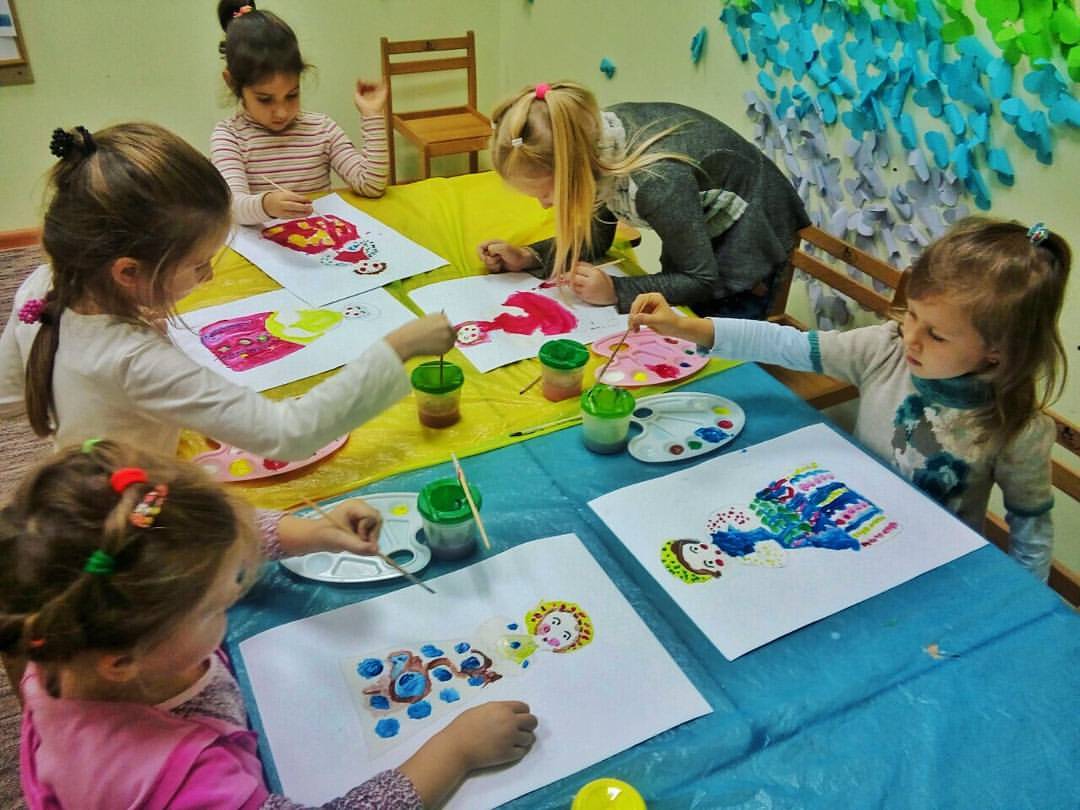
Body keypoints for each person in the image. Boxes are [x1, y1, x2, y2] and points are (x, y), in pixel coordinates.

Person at [0, 440, 537, 809]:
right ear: (122, 661)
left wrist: (309, 533)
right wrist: (455, 752)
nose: (236, 594)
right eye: (217, 606)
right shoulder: (181, 784)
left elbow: (194, 541)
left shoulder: (68, 625)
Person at [629, 217, 1071, 580]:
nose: (911, 337)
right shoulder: (885, 349)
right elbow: (786, 345)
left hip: (934, 569)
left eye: (936, 335)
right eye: (912, 315)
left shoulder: (1018, 428)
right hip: (846, 540)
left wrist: (1024, 603)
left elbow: (1031, 529)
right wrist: (689, 327)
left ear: (998, 351)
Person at [0, 122, 455, 457]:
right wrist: (397, 347)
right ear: (128, 273)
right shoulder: (135, 361)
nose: (209, 278)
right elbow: (288, 433)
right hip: (135, 518)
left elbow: (11, 396)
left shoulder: (44, 284)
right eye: (199, 264)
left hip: (85, 480)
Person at [478, 81, 810, 316]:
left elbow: (699, 279)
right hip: (700, 222)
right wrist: (529, 257)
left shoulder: (656, 182)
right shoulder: (590, 143)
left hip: (752, 232)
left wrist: (615, 291)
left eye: (546, 193)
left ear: (574, 172)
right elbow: (597, 239)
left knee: (713, 343)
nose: (545, 205)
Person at [211, 1, 389, 225]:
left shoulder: (322, 129)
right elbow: (234, 208)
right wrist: (266, 205)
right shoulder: (229, 137)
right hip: (266, 244)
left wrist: (372, 116)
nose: (282, 112)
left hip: (321, 238)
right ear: (232, 83)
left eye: (292, 95)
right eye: (265, 99)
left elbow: (371, 185)